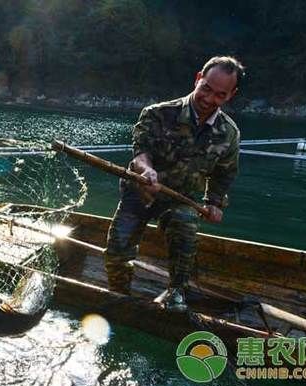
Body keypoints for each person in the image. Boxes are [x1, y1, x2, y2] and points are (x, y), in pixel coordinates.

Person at [105, 56, 245, 312]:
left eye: (220, 95)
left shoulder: (230, 133)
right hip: (140, 193)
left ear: (230, 95)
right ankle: (119, 296)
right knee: (118, 249)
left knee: (185, 230)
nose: (209, 98)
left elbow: (224, 174)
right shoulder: (158, 113)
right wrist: (147, 171)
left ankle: (176, 291)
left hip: (182, 200)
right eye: (206, 88)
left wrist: (214, 202)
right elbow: (140, 153)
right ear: (197, 79)